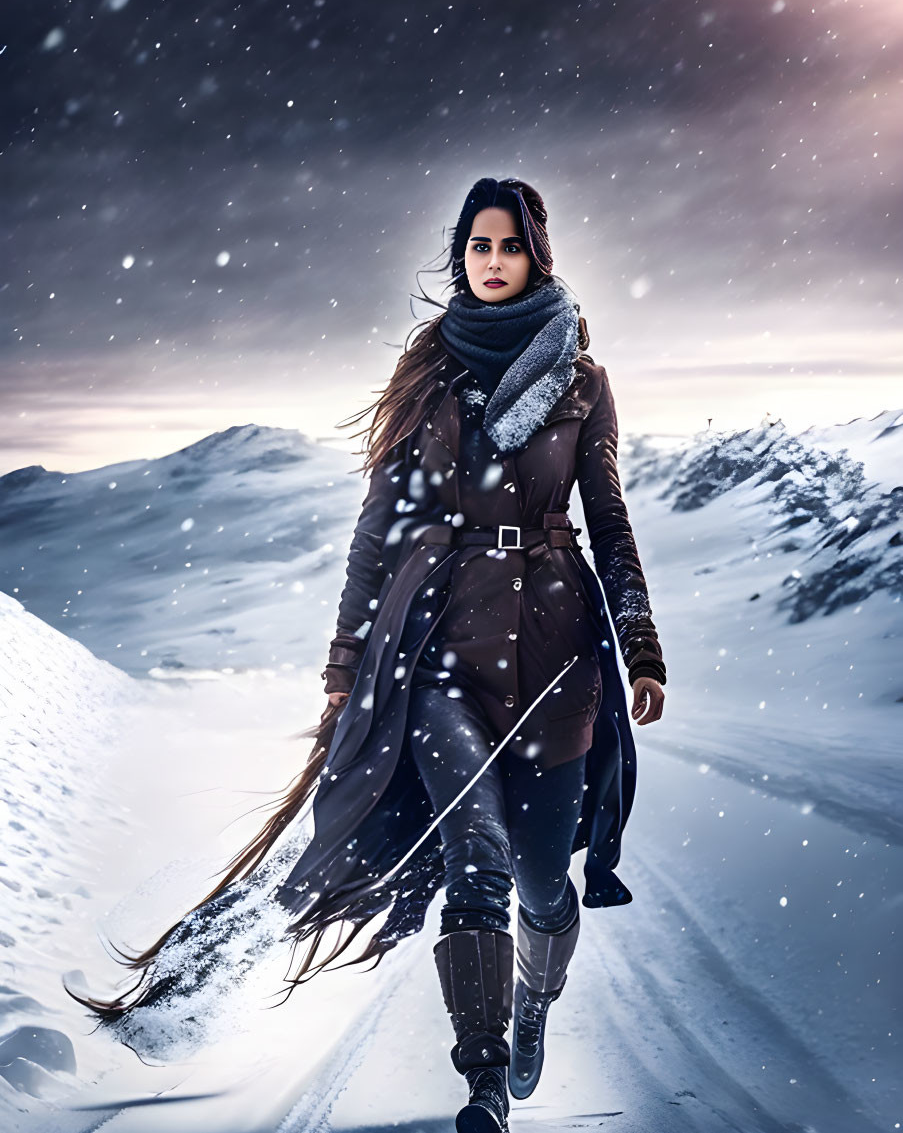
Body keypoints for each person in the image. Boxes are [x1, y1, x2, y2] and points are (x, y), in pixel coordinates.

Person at [67, 177, 666, 1133]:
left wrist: (640, 644)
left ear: (536, 255)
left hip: (557, 654)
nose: (492, 260)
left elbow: (608, 516)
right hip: (432, 647)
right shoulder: (426, 368)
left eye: (508, 245)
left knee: (544, 880)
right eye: (477, 246)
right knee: (470, 852)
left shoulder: (582, 379)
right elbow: (377, 524)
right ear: (459, 255)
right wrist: (347, 657)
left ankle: (532, 1002)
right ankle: (481, 1083)